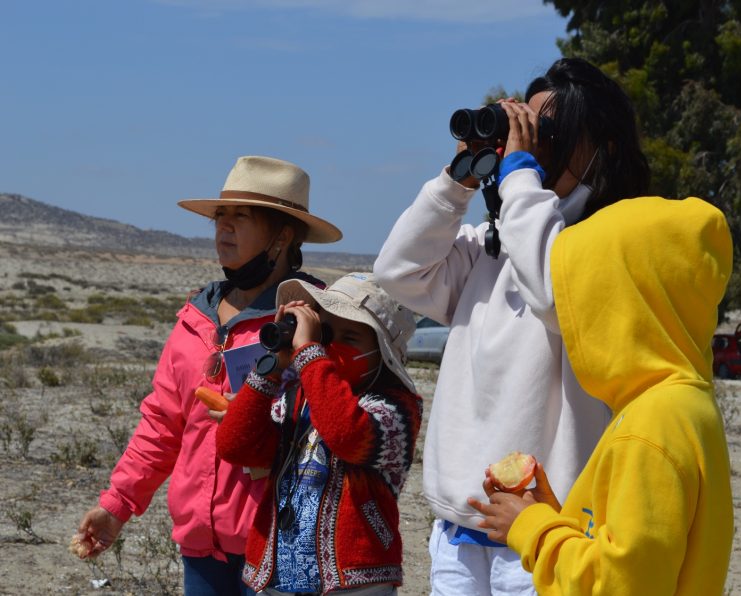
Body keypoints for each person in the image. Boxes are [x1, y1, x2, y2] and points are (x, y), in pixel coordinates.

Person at [373, 57, 650, 595]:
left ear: (603, 148)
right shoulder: (490, 247)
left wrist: (520, 174)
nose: (536, 144)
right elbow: (398, 271)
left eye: (552, 131)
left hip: (552, 529)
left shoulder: (609, 246)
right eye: (530, 126)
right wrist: (458, 181)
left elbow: (551, 291)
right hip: (461, 525)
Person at [74, 155, 342, 596]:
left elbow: (337, 426)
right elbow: (162, 423)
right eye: (221, 216)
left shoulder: (315, 319)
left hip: (280, 544)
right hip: (202, 549)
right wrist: (117, 506)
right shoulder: (194, 319)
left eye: (241, 217)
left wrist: (267, 420)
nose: (224, 228)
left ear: (283, 235)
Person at [470, 196, 736, 595]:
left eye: (586, 299)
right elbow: (634, 553)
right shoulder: (683, 403)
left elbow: (620, 585)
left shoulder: (650, 425)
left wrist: (531, 529)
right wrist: (556, 517)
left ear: (626, 306)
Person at [216, 272, 422, 595]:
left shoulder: (396, 407)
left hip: (356, 582)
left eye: (350, 337)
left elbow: (347, 434)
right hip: (278, 580)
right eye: (326, 333)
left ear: (382, 351)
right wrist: (273, 366)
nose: (331, 346)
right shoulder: (300, 396)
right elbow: (234, 444)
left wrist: (310, 353)